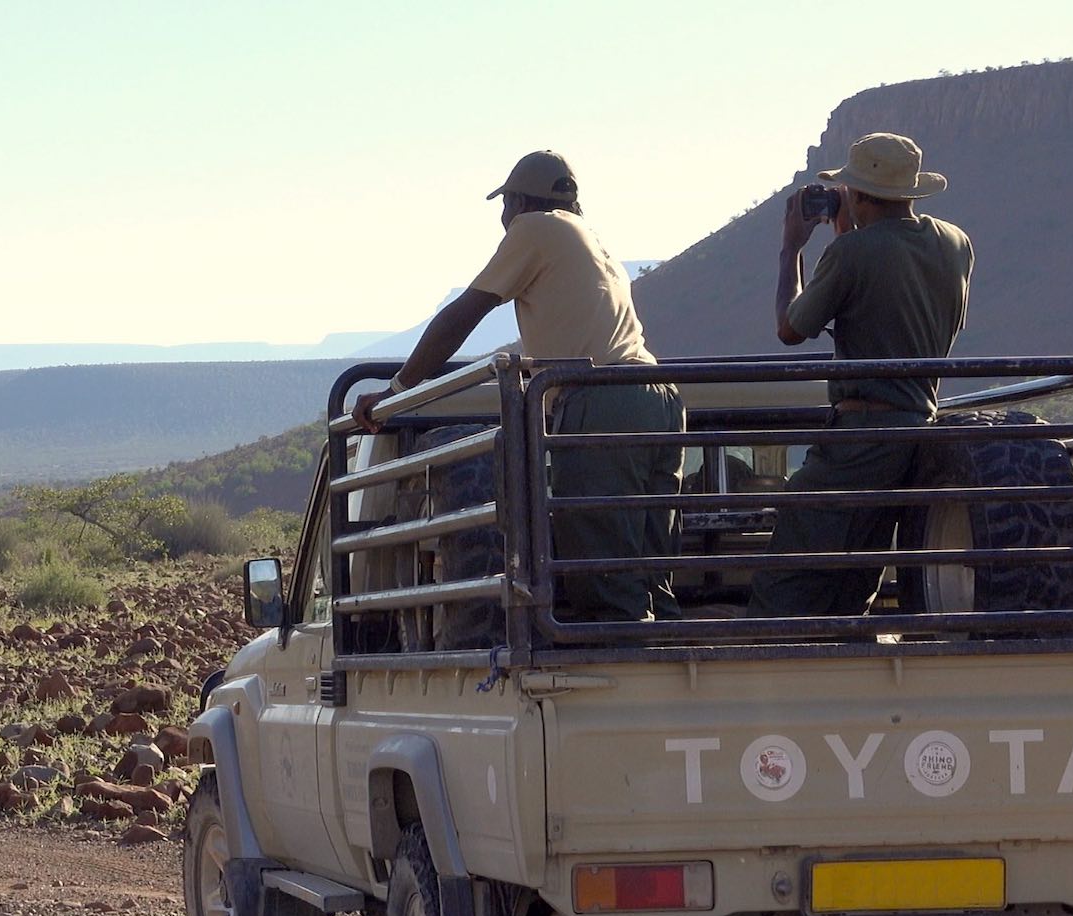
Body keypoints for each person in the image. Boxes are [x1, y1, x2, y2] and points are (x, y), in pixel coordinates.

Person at [353, 150, 684, 626]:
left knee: (600, 573)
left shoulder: (535, 229)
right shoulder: (590, 239)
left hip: (602, 402)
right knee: (651, 570)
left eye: (504, 205)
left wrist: (397, 390)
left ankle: (627, 681)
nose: (503, 219)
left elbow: (463, 315)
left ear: (519, 200)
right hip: (659, 396)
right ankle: (672, 673)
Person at [748, 131, 972, 618]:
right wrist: (850, 235)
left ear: (861, 195)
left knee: (786, 574)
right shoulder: (955, 244)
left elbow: (790, 328)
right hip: (919, 432)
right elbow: (898, 299)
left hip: (860, 439)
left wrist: (792, 250)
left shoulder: (850, 254)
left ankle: (769, 675)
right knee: (857, 574)